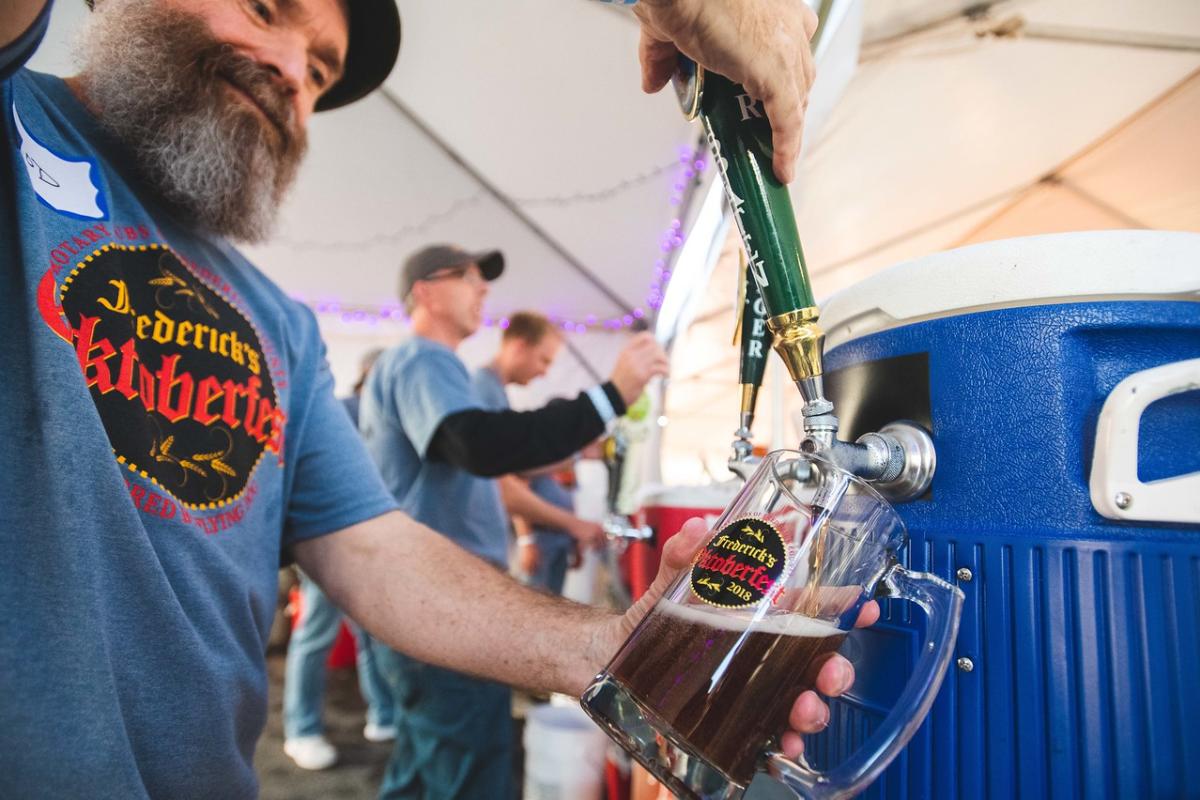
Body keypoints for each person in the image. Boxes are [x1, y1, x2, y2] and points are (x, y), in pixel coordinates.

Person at [0, 1, 865, 798]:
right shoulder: (15, 117)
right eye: (267, 8)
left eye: (323, 72)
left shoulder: (280, 326)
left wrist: (613, 646)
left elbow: (374, 548)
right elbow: (476, 447)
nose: (297, 73)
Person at [359, 247, 671, 797]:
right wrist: (610, 395)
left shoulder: (433, 369)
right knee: (471, 764)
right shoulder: (423, 360)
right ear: (425, 291)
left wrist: (578, 448)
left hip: (425, 597)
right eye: (469, 278)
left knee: (425, 760)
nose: (483, 289)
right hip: (442, 602)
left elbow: (494, 459)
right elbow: (479, 445)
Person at [282, 348, 398, 770]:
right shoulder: (342, 410)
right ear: (369, 376)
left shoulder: (389, 418)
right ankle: (300, 729)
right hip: (326, 544)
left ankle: (384, 715)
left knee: (372, 634)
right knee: (315, 634)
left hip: (374, 548)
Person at [473, 311, 599, 594]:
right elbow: (504, 482)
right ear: (519, 346)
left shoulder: (495, 392)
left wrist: (576, 456)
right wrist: (570, 526)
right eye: (544, 360)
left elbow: (517, 465)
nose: (544, 371)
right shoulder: (484, 391)